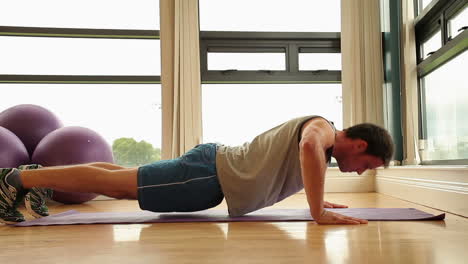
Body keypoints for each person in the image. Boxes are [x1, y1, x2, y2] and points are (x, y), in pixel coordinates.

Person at [0, 115, 394, 225]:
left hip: (209, 172)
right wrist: (316, 213)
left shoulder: (321, 150)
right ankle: (19, 178)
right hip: (208, 173)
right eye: (367, 165)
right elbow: (307, 145)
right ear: (359, 144)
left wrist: (317, 198)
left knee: (120, 181)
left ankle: (37, 179)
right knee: (116, 184)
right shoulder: (323, 129)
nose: (360, 173)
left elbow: (285, 166)